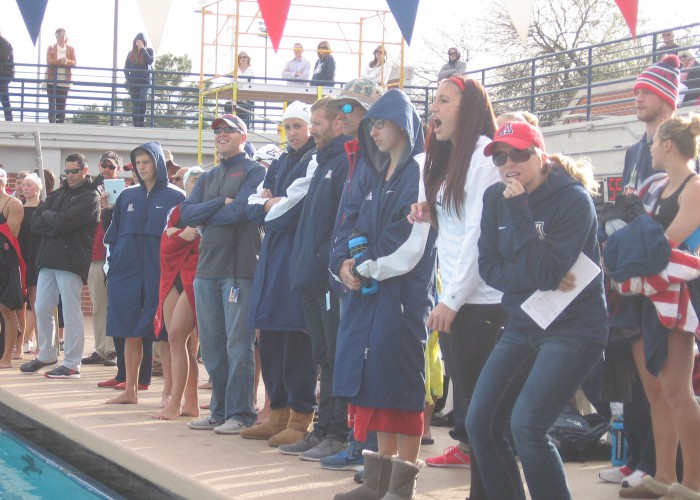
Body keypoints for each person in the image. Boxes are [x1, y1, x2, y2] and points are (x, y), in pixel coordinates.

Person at [465, 121, 607, 500]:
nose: (509, 164)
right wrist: (536, 274)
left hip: (575, 327)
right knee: (479, 423)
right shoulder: (495, 197)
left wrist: (520, 212)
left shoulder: (572, 200)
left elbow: (546, 273)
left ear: (540, 155)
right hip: (525, 320)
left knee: (527, 426)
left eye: (519, 154)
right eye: (500, 157)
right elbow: (489, 267)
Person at [331, 89, 434, 500]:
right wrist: (344, 265)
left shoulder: (418, 172)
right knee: (373, 387)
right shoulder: (375, 175)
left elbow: (408, 240)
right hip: (366, 295)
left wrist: (365, 266)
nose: (372, 131)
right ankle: (376, 482)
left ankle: (401, 487)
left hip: (401, 297)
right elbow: (350, 227)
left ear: (403, 127)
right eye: (370, 124)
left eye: (380, 123)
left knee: (400, 388)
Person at [407, 77, 505, 498]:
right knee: (476, 415)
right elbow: (459, 227)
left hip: (481, 304)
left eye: (444, 101)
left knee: (487, 418)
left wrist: (450, 300)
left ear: (468, 109)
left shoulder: (484, 158)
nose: (434, 108)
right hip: (462, 301)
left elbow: (478, 240)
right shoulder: (453, 160)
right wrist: (433, 212)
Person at [600, 55, 681, 495]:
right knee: (634, 378)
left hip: (663, 279)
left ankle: (663, 467)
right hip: (628, 277)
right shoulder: (634, 150)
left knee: (665, 382)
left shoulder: (682, 152)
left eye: (645, 91)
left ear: (666, 99)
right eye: (635, 90)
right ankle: (638, 458)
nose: (636, 97)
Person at [610, 113, 700, 500]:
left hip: (677, 296)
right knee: (655, 391)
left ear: (667, 144)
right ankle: (663, 475)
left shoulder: (694, 187)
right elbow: (644, 242)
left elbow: (663, 244)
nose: (648, 148)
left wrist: (634, 242)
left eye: (653, 142)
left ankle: (693, 481)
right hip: (647, 296)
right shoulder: (658, 186)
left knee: (678, 390)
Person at [181, 114, 265, 434]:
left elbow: (241, 210)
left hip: (239, 269)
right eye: (217, 130)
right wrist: (220, 203)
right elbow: (186, 213)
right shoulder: (208, 176)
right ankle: (219, 410)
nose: (220, 134)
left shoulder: (255, 171)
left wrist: (212, 211)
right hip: (207, 269)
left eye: (228, 130)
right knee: (213, 347)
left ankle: (242, 413)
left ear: (243, 137)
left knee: (237, 345)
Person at [241, 101, 317, 447]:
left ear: (312, 127)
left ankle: (301, 418)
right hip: (272, 259)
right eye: (288, 127)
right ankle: (278, 414)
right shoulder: (283, 161)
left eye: (298, 126)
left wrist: (270, 205)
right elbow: (252, 207)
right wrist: (271, 203)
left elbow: (290, 213)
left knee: (295, 340)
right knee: (269, 337)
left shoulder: (315, 160)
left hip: (296, 258)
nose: (293, 133)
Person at [279, 96, 349, 460]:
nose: (312, 128)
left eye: (317, 122)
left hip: (327, 279)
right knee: (322, 355)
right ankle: (322, 429)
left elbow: (341, 223)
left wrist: (323, 258)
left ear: (338, 124)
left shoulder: (343, 164)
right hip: (310, 276)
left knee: (334, 355)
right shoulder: (322, 162)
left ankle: (337, 432)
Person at [322, 78, 384, 473]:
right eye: (339, 108)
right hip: (351, 273)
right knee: (350, 363)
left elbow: (376, 221)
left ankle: (371, 448)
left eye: (350, 109)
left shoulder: (382, 158)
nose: (340, 116)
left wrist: (356, 263)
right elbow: (346, 219)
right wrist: (339, 262)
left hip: (376, 278)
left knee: (372, 366)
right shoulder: (356, 156)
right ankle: (358, 441)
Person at [103, 142, 184, 405]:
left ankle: (168, 392)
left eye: (146, 162)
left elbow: (184, 239)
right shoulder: (127, 196)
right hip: (126, 271)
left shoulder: (176, 196)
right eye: (138, 163)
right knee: (129, 330)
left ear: (158, 164)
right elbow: (113, 236)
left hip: (160, 272)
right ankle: (130, 390)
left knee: (165, 334)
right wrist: (112, 267)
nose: (141, 167)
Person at [20, 153, 100, 378]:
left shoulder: (90, 197)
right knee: (42, 307)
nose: (71, 175)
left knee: (71, 311)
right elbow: (37, 222)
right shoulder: (58, 194)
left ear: (85, 170)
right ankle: (47, 354)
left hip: (71, 260)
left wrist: (51, 218)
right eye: (67, 171)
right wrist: (54, 220)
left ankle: (73, 363)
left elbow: (65, 222)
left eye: (75, 171)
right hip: (48, 259)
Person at [152, 166, 204, 420]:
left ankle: (179, 402)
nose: (195, 183)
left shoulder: (209, 208)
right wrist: (181, 236)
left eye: (199, 179)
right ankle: (185, 402)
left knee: (182, 341)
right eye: (191, 180)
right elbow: (164, 245)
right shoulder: (177, 211)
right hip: (174, 276)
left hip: (195, 277)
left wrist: (178, 236)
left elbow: (201, 239)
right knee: (174, 341)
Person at [81, 152, 120, 368]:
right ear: (98, 166)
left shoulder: (124, 191)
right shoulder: (89, 189)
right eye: (104, 165)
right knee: (98, 305)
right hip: (95, 254)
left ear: (118, 169)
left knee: (114, 303)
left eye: (111, 166)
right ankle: (100, 349)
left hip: (114, 255)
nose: (107, 169)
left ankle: (113, 349)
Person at [0, 169, 24, 369]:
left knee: (7, 309)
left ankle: (7, 356)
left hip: (6, 263)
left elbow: (10, 235)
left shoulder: (13, 204)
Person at [18, 173, 42, 355]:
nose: (25, 188)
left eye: (29, 185)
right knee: (19, 305)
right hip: (20, 258)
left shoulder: (43, 208)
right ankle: (19, 344)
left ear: (37, 188)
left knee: (37, 305)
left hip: (36, 259)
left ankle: (41, 344)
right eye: (23, 185)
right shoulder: (18, 208)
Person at [124, 33, 155, 127]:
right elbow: (126, 68)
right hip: (133, 83)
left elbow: (150, 61)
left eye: (141, 41)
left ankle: (141, 122)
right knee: (135, 104)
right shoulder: (131, 53)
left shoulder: (149, 51)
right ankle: (136, 124)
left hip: (145, 82)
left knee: (142, 99)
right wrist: (128, 79)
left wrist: (142, 49)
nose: (138, 43)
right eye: (137, 41)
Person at [46, 28, 76, 124]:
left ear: (65, 36)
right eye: (57, 36)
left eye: (62, 35)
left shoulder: (70, 49)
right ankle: (51, 124)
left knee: (62, 105)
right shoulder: (51, 48)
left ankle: (60, 124)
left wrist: (67, 61)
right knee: (52, 105)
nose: (60, 38)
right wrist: (60, 61)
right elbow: (49, 61)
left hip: (64, 82)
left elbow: (74, 62)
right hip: (52, 81)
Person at [235, 51, 256, 129]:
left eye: (244, 57)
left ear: (248, 59)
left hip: (246, 97)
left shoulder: (251, 70)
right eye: (241, 57)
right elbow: (232, 82)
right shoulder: (235, 70)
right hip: (236, 96)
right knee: (235, 116)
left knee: (245, 118)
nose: (242, 59)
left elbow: (251, 84)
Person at [0, 31, 14, 122]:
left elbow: (2, 58)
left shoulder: (5, 43)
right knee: (5, 99)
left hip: (4, 74)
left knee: (5, 99)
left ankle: (9, 120)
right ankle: (9, 119)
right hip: (3, 73)